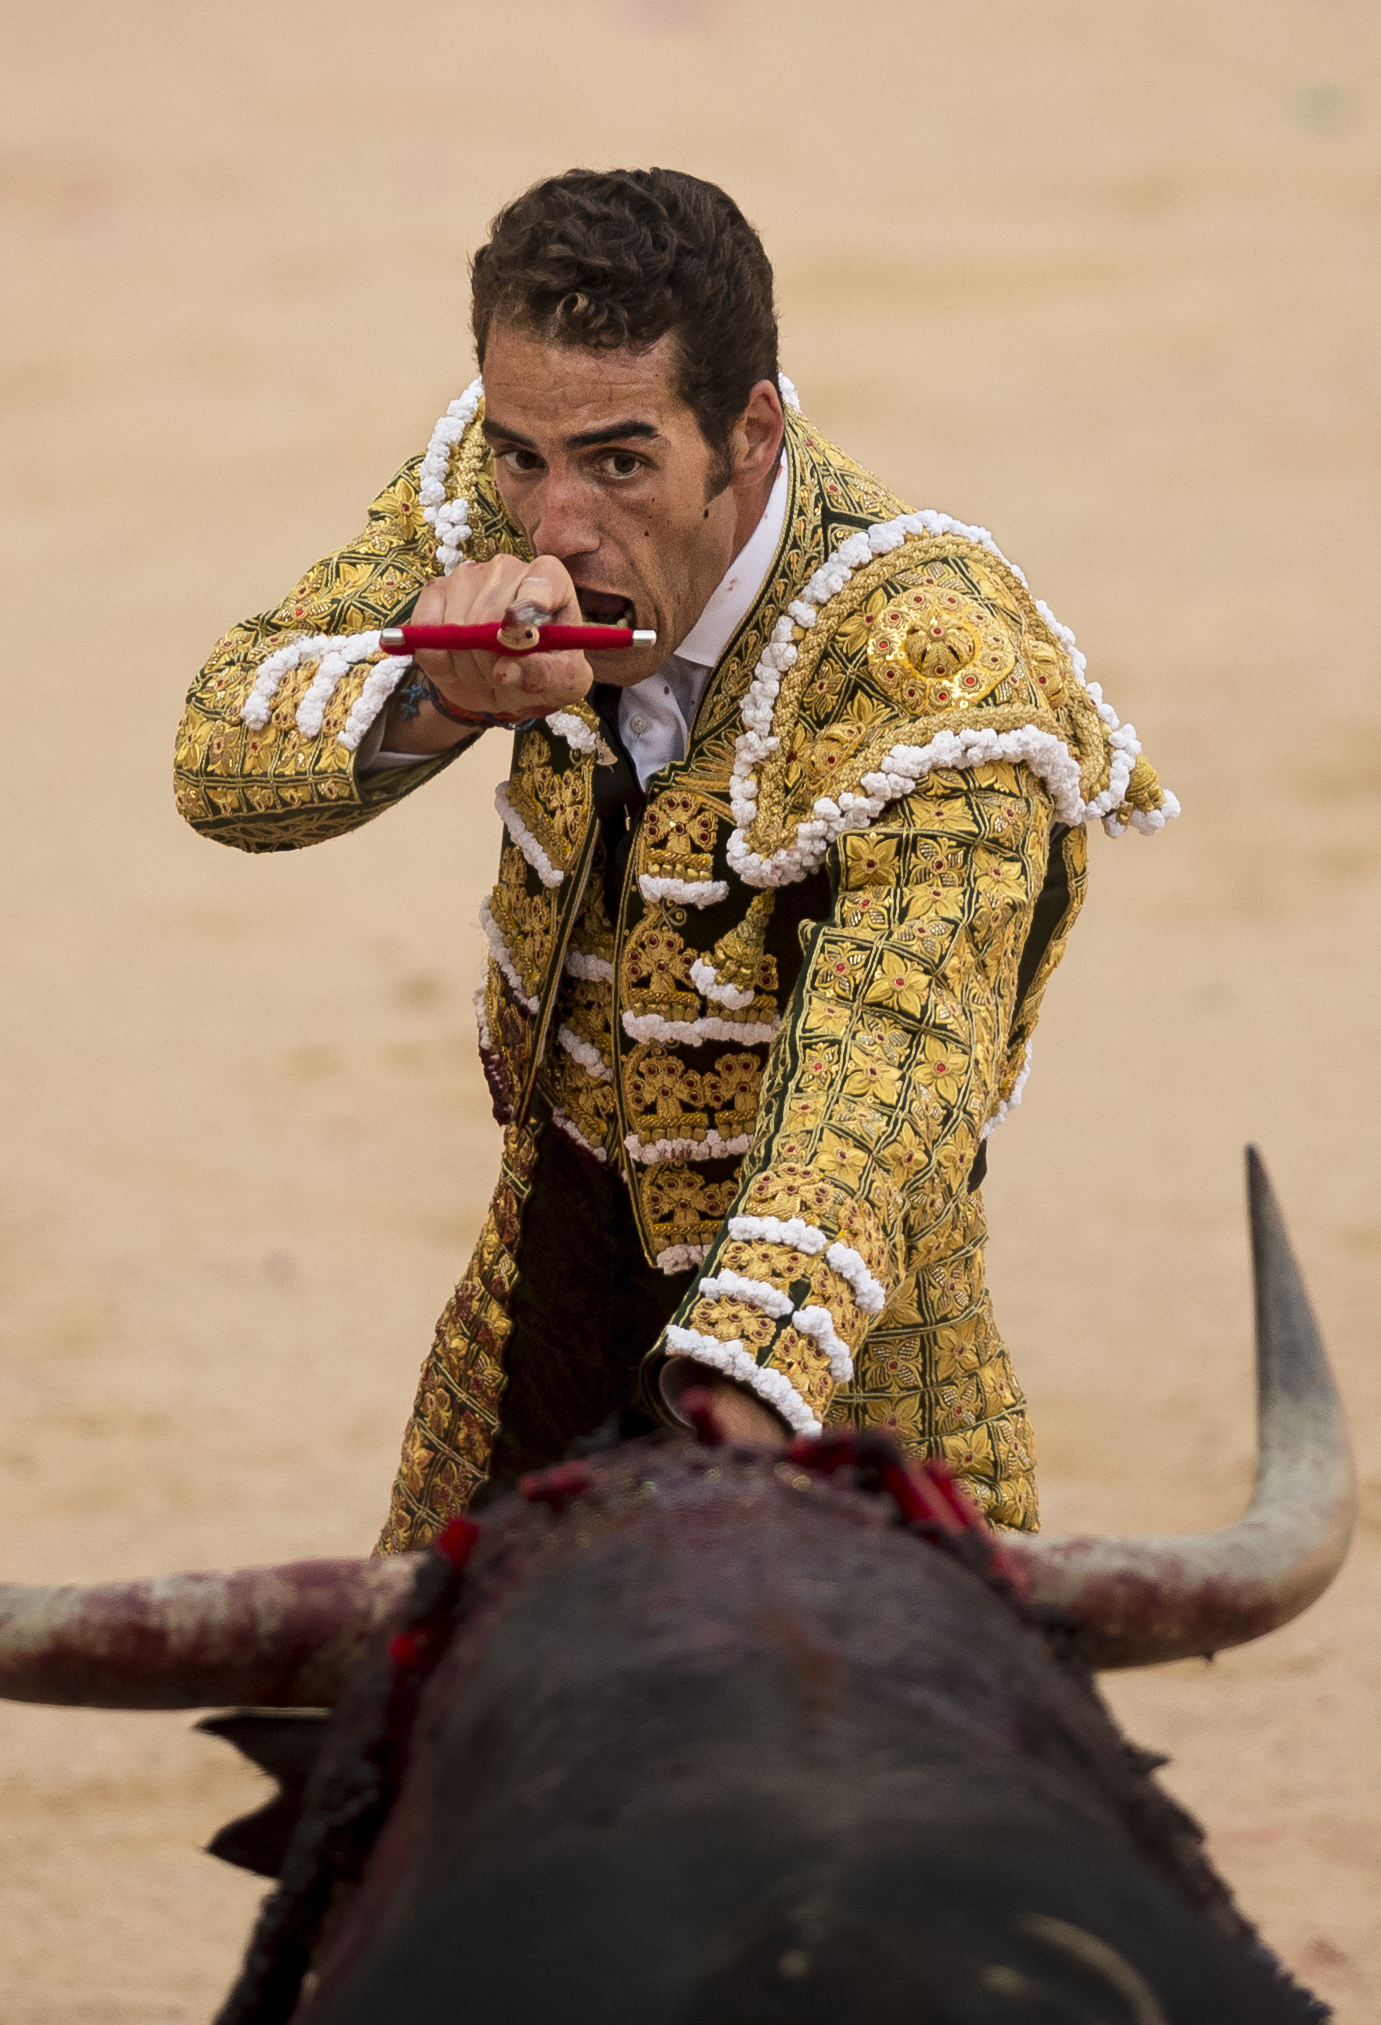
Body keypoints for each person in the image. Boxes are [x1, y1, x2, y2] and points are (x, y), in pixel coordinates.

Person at [174, 169, 1175, 1551]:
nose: (558, 528)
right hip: (548, 1297)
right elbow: (225, 745)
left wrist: (734, 1431)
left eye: (621, 465)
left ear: (751, 433)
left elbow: (879, 1088)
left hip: (840, 1365)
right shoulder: (493, 487)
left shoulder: (938, 670)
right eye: (528, 454)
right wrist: (440, 691)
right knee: (398, 1737)